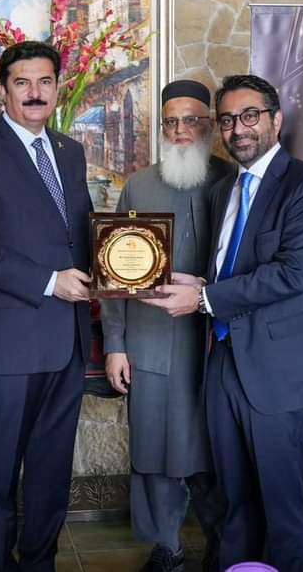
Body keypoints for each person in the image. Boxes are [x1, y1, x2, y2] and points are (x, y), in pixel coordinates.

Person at [146, 74, 303, 572]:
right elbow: (231, 267)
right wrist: (194, 280)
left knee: (284, 510)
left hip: (282, 373)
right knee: (232, 503)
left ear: (276, 120)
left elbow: (292, 274)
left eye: (250, 116)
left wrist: (204, 297)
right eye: (228, 119)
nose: (238, 129)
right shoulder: (223, 190)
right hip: (225, 362)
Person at [0, 40, 93, 572]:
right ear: (3, 88)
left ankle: (40, 563)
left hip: (70, 339)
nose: (35, 93)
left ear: (58, 86)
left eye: (45, 81)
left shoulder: (70, 151)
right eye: (22, 82)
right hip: (12, 341)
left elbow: (79, 236)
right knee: (3, 469)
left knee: (54, 469)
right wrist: (51, 282)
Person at [101, 79, 230, 572]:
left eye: (192, 120)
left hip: (216, 351)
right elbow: (112, 273)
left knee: (216, 453)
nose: (180, 131)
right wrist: (115, 345)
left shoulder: (235, 179)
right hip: (150, 345)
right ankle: (168, 546)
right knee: (154, 453)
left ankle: (222, 544)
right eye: (171, 121)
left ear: (210, 125)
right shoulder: (138, 185)